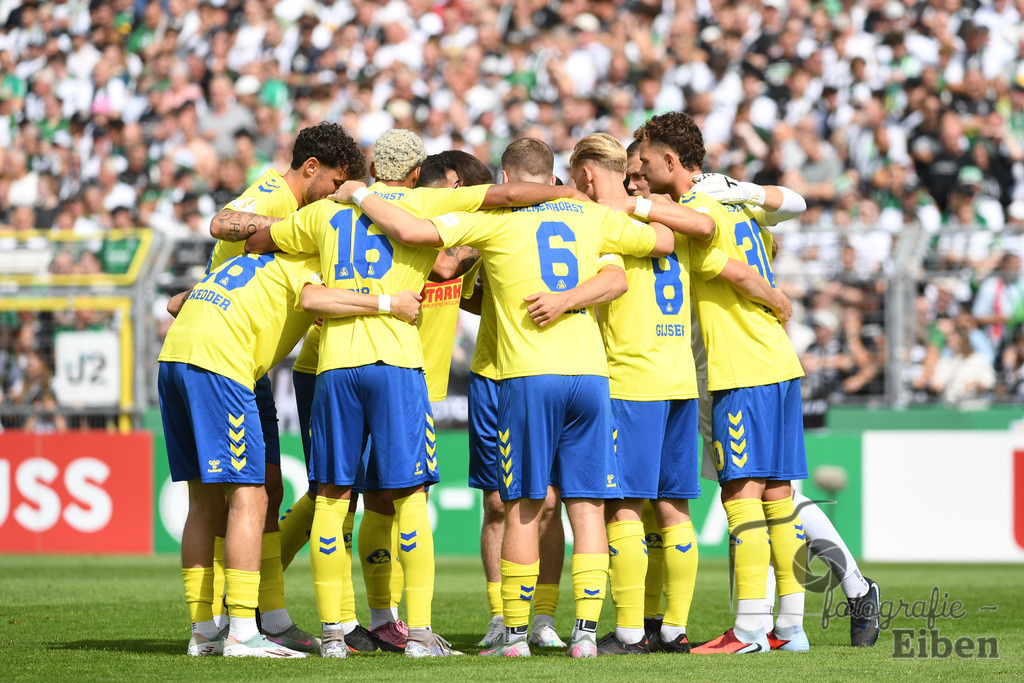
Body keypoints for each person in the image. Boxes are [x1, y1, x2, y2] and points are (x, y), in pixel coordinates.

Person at [331, 137, 681, 659]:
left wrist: (359, 194)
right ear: (554, 174)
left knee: (521, 504)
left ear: (505, 176)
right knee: (587, 508)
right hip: (590, 374)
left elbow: (410, 230)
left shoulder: (495, 222)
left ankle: (515, 635)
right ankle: (585, 635)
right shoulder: (588, 218)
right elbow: (663, 243)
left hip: (527, 375)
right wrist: (620, 212)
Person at [245, 129, 587, 658]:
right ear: (419, 175)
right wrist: (566, 197)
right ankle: (407, 629)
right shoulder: (429, 209)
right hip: (396, 365)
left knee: (336, 497)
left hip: (333, 363)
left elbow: (256, 241)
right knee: (399, 497)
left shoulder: (328, 213)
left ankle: (345, 627)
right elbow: (499, 207)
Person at [565, 132, 793, 655]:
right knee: (673, 510)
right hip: (680, 383)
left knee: (622, 507)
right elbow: (722, 251)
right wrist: (777, 297)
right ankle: (671, 627)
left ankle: (626, 632)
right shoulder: (680, 222)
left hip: (631, 379)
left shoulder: (620, 224)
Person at [159, 248, 420, 659]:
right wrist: (386, 303)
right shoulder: (313, 260)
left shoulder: (253, 262)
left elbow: (176, 303)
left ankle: (206, 632)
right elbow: (316, 299)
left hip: (176, 356)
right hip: (224, 364)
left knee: (206, 501)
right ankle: (244, 630)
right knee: (252, 496)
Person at [634, 111, 810, 654]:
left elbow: (731, 271)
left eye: (642, 161)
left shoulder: (700, 208)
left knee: (742, 498)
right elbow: (788, 208)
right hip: (778, 362)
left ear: (670, 161)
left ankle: (750, 631)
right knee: (780, 499)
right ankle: (792, 628)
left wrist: (775, 297)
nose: (635, 170)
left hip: (741, 368)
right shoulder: (737, 202)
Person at [192, 121, 366, 654]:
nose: (336, 195)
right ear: (310, 169)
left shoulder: (301, 207)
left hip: (247, 356)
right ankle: (238, 621)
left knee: (264, 492)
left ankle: (266, 615)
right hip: (231, 351)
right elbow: (222, 221)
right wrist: (289, 229)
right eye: (335, 183)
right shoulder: (274, 193)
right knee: (245, 495)